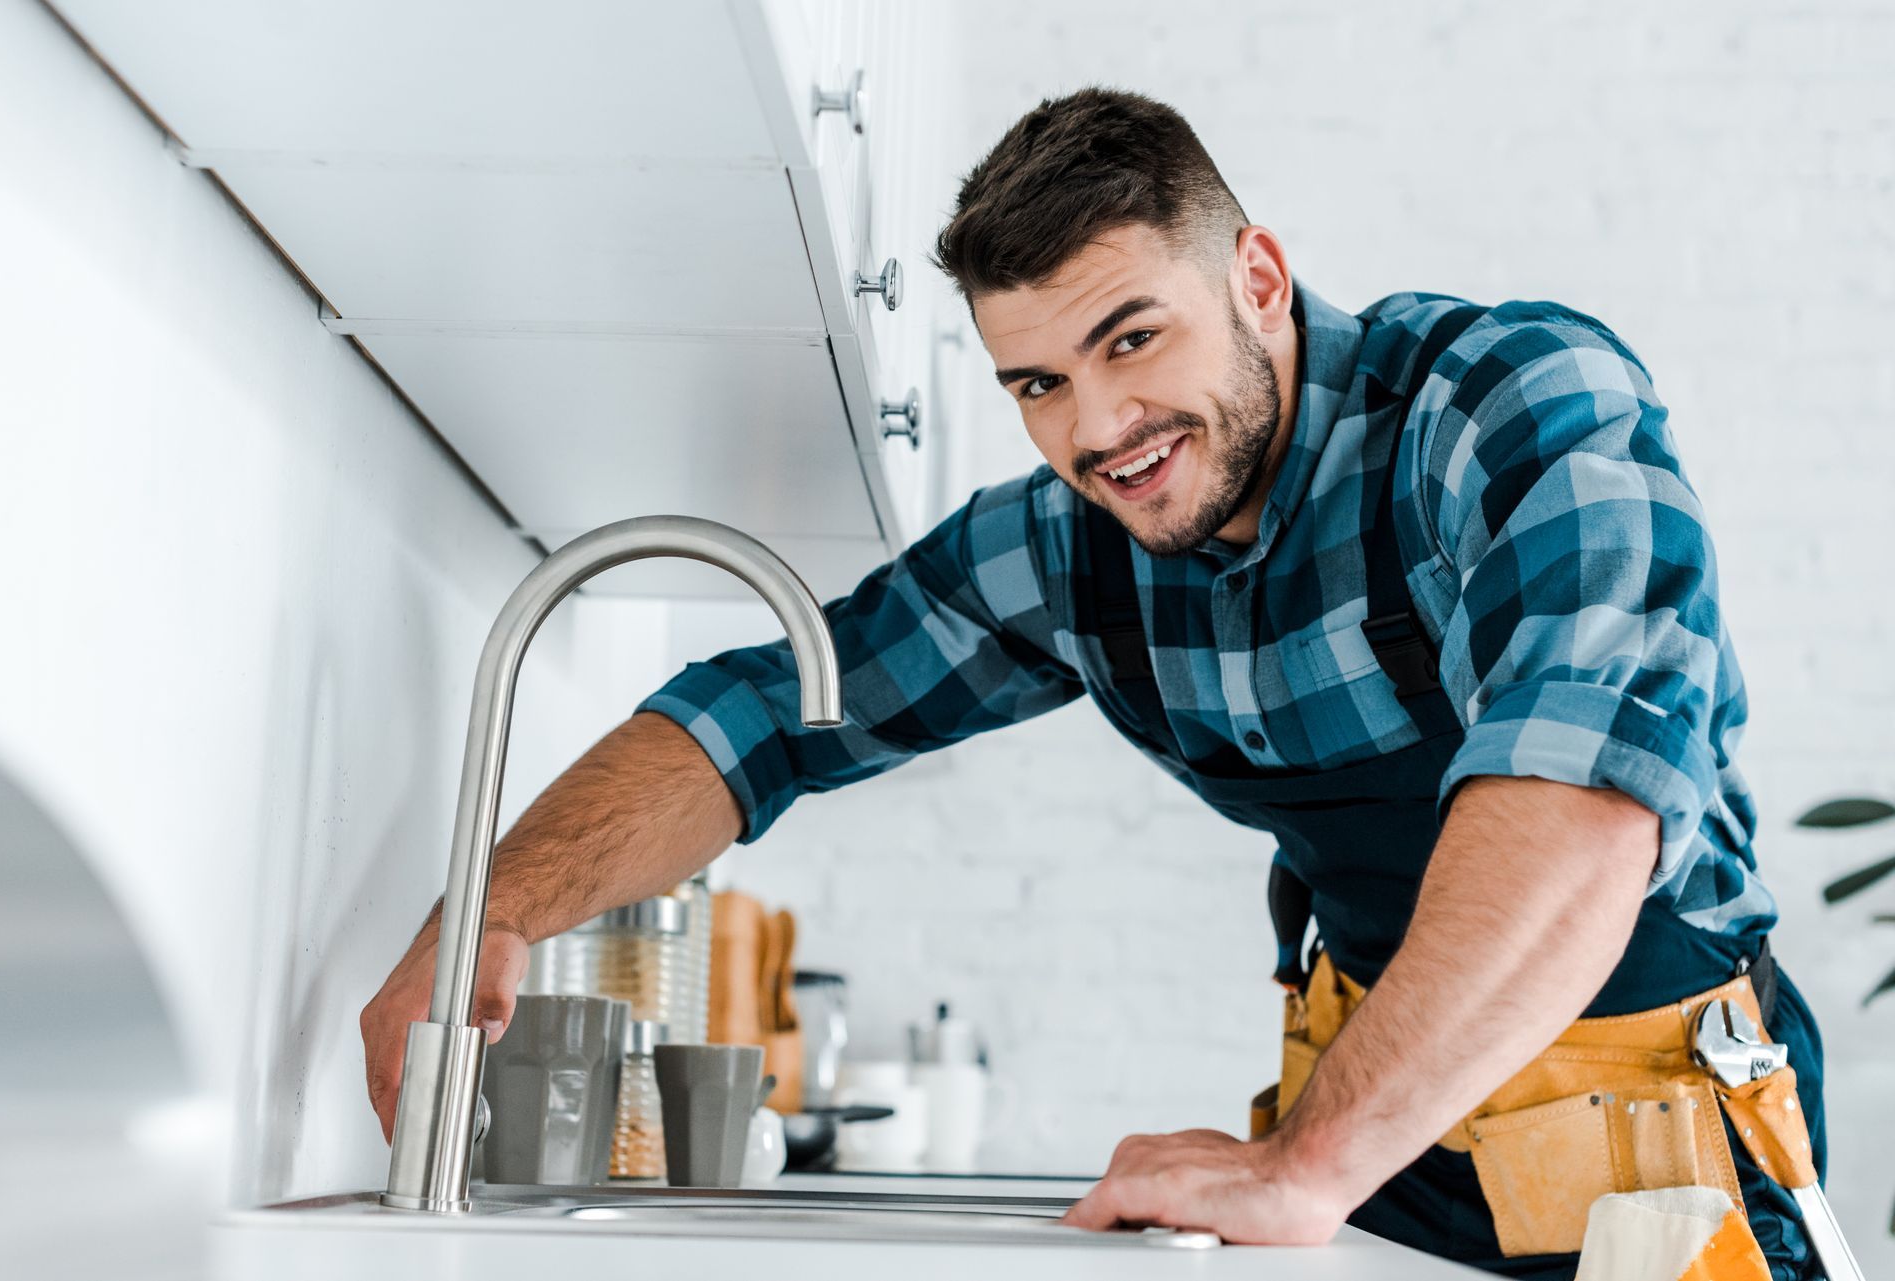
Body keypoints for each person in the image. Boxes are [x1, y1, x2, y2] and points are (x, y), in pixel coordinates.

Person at [361, 88, 1824, 1278]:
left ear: (1257, 277)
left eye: (1132, 340)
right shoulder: (1073, 555)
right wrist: (491, 908)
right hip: (1388, 1161)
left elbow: (1582, 811)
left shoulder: (1507, 408)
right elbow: (770, 714)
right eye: (1038, 383)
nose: (1100, 426)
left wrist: (1307, 1163)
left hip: (1654, 1163)